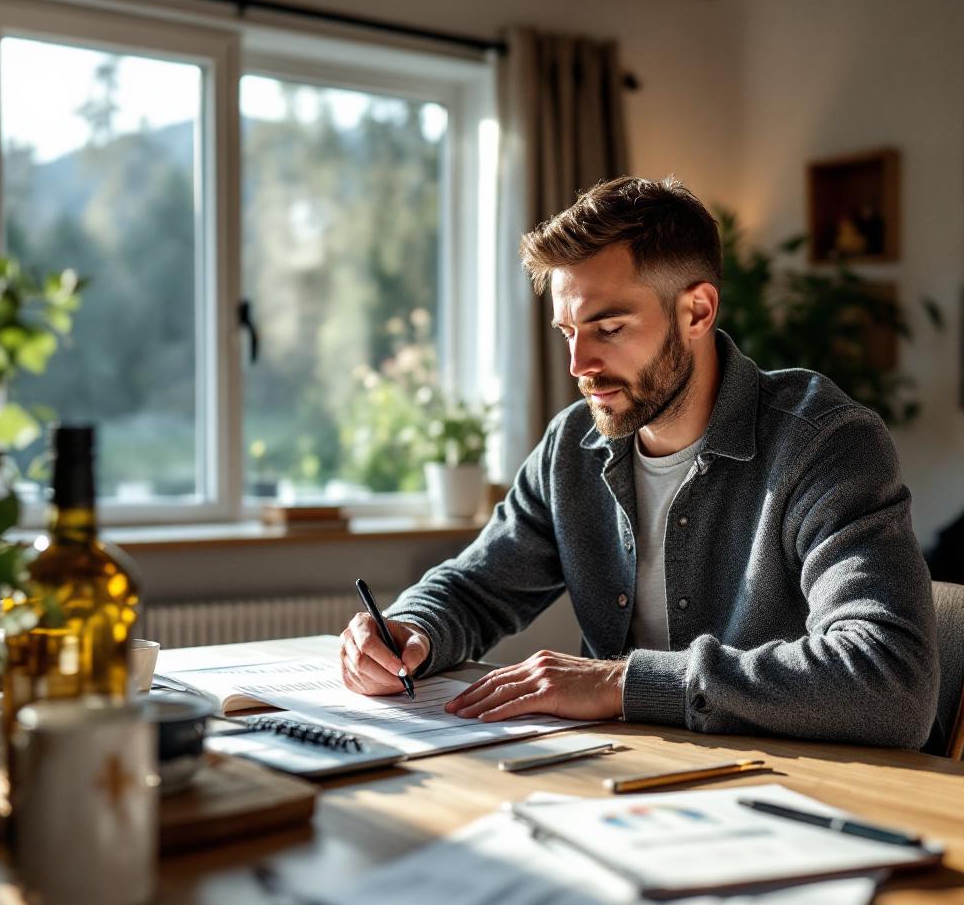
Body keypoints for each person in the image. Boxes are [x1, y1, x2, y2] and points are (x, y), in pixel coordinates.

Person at [339, 175, 938, 750]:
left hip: (799, 798)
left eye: (608, 327)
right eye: (567, 330)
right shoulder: (571, 445)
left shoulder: (822, 442)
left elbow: (891, 682)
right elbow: (476, 587)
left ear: (697, 312)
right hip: (628, 786)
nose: (579, 364)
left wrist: (623, 683)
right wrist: (410, 629)